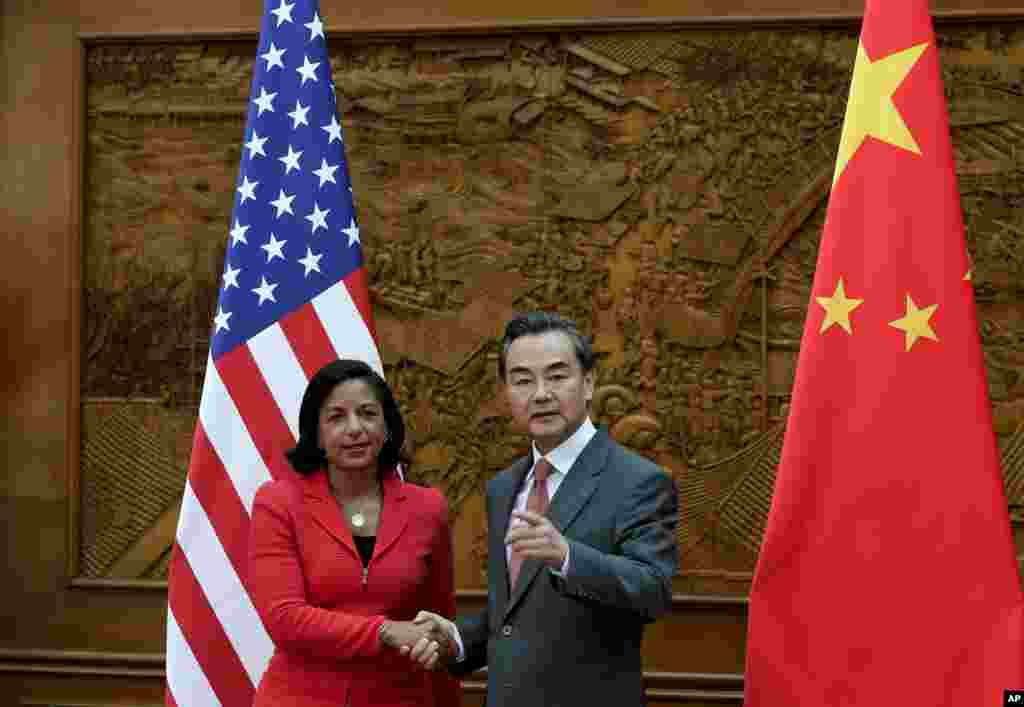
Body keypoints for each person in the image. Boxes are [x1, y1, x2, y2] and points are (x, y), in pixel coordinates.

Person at [410, 311, 679, 706]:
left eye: (556, 376)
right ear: (506, 393)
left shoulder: (639, 481)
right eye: (523, 380)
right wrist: (455, 639)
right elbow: (516, 613)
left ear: (588, 383)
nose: (540, 394)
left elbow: (652, 589)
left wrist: (568, 555)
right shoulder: (504, 488)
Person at [249, 359, 459, 707]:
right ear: (315, 433)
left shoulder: (428, 508)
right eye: (336, 417)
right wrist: (384, 631)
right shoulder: (278, 503)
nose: (355, 429)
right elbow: (284, 618)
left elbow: (437, 626)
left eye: (367, 413)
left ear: (388, 425)